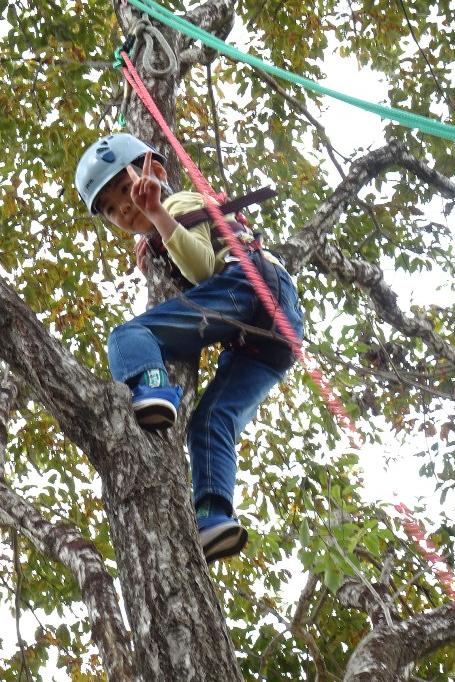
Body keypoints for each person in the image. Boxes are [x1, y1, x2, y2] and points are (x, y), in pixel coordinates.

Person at [74, 133, 305, 563]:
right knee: (211, 419)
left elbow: (201, 267)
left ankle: (155, 386)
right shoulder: (164, 224)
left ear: (156, 173)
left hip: (247, 286)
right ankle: (215, 516)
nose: (124, 206)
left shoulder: (178, 204)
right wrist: (155, 234)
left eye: (125, 189)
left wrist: (159, 214)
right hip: (274, 335)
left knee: (129, 336)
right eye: (110, 207)